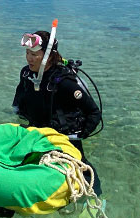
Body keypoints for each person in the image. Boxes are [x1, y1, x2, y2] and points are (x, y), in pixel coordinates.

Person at [12, 30, 102, 195]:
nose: (29, 58)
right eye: (27, 53)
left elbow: (94, 112)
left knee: (82, 167)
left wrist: (82, 134)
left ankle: (97, 196)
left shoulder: (64, 83)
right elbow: (19, 97)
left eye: (34, 54)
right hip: (37, 131)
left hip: (64, 136)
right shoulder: (26, 74)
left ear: (47, 56)